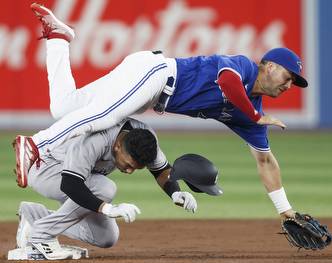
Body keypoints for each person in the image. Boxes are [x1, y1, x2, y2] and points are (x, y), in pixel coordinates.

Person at [15, 3, 307, 225]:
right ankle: (38, 145)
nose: (289, 83)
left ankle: (58, 38)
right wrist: (256, 118)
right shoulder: (243, 67)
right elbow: (227, 83)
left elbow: (266, 161)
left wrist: (285, 210)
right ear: (268, 65)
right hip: (156, 75)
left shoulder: (250, 113)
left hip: (150, 93)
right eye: (288, 75)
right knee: (102, 117)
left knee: (65, 107)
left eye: (295, 82)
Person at [14, 114, 225, 260]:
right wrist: (107, 208)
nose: (130, 171)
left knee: (106, 237)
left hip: (81, 177)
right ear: (117, 145)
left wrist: (175, 192)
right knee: (105, 188)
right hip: (46, 169)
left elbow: (161, 170)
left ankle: (36, 218)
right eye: (129, 165)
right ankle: (41, 235)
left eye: (137, 168)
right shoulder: (97, 139)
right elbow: (70, 184)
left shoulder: (144, 138)